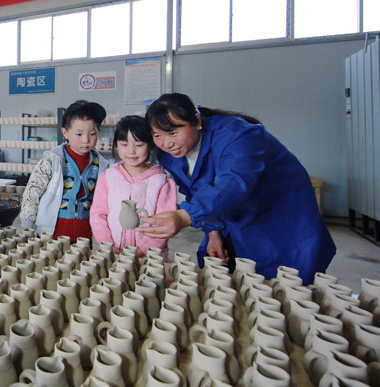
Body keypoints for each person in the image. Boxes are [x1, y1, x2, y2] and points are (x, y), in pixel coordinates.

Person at [138, 93, 336, 284]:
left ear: (197, 121)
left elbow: (234, 183)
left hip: (280, 214)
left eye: (173, 133)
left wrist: (184, 217)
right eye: (158, 135)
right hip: (229, 212)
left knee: (284, 280)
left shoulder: (238, 135)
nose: (166, 143)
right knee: (223, 271)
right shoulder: (170, 154)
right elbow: (195, 191)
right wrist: (212, 232)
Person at [20, 100, 110, 240]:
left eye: (92, 134)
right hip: (51, 233)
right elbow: (33, 192)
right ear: (65, 133)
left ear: (98, 131)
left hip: (84, 234)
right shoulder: (52, 160)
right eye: (79, 134)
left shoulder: (102, 165)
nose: (86, 140)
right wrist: (27, 224)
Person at [89, 115, 177, 259]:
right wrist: (107, 245)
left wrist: (144, 248)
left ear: (150, 145)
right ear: (116, 146)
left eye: (139, 144)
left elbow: (163, 223)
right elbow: (98, 214)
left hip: (150, 256)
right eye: (124, 144)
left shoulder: (161, 181)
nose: (131, 151)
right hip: (113, 252)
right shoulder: (108, 177)